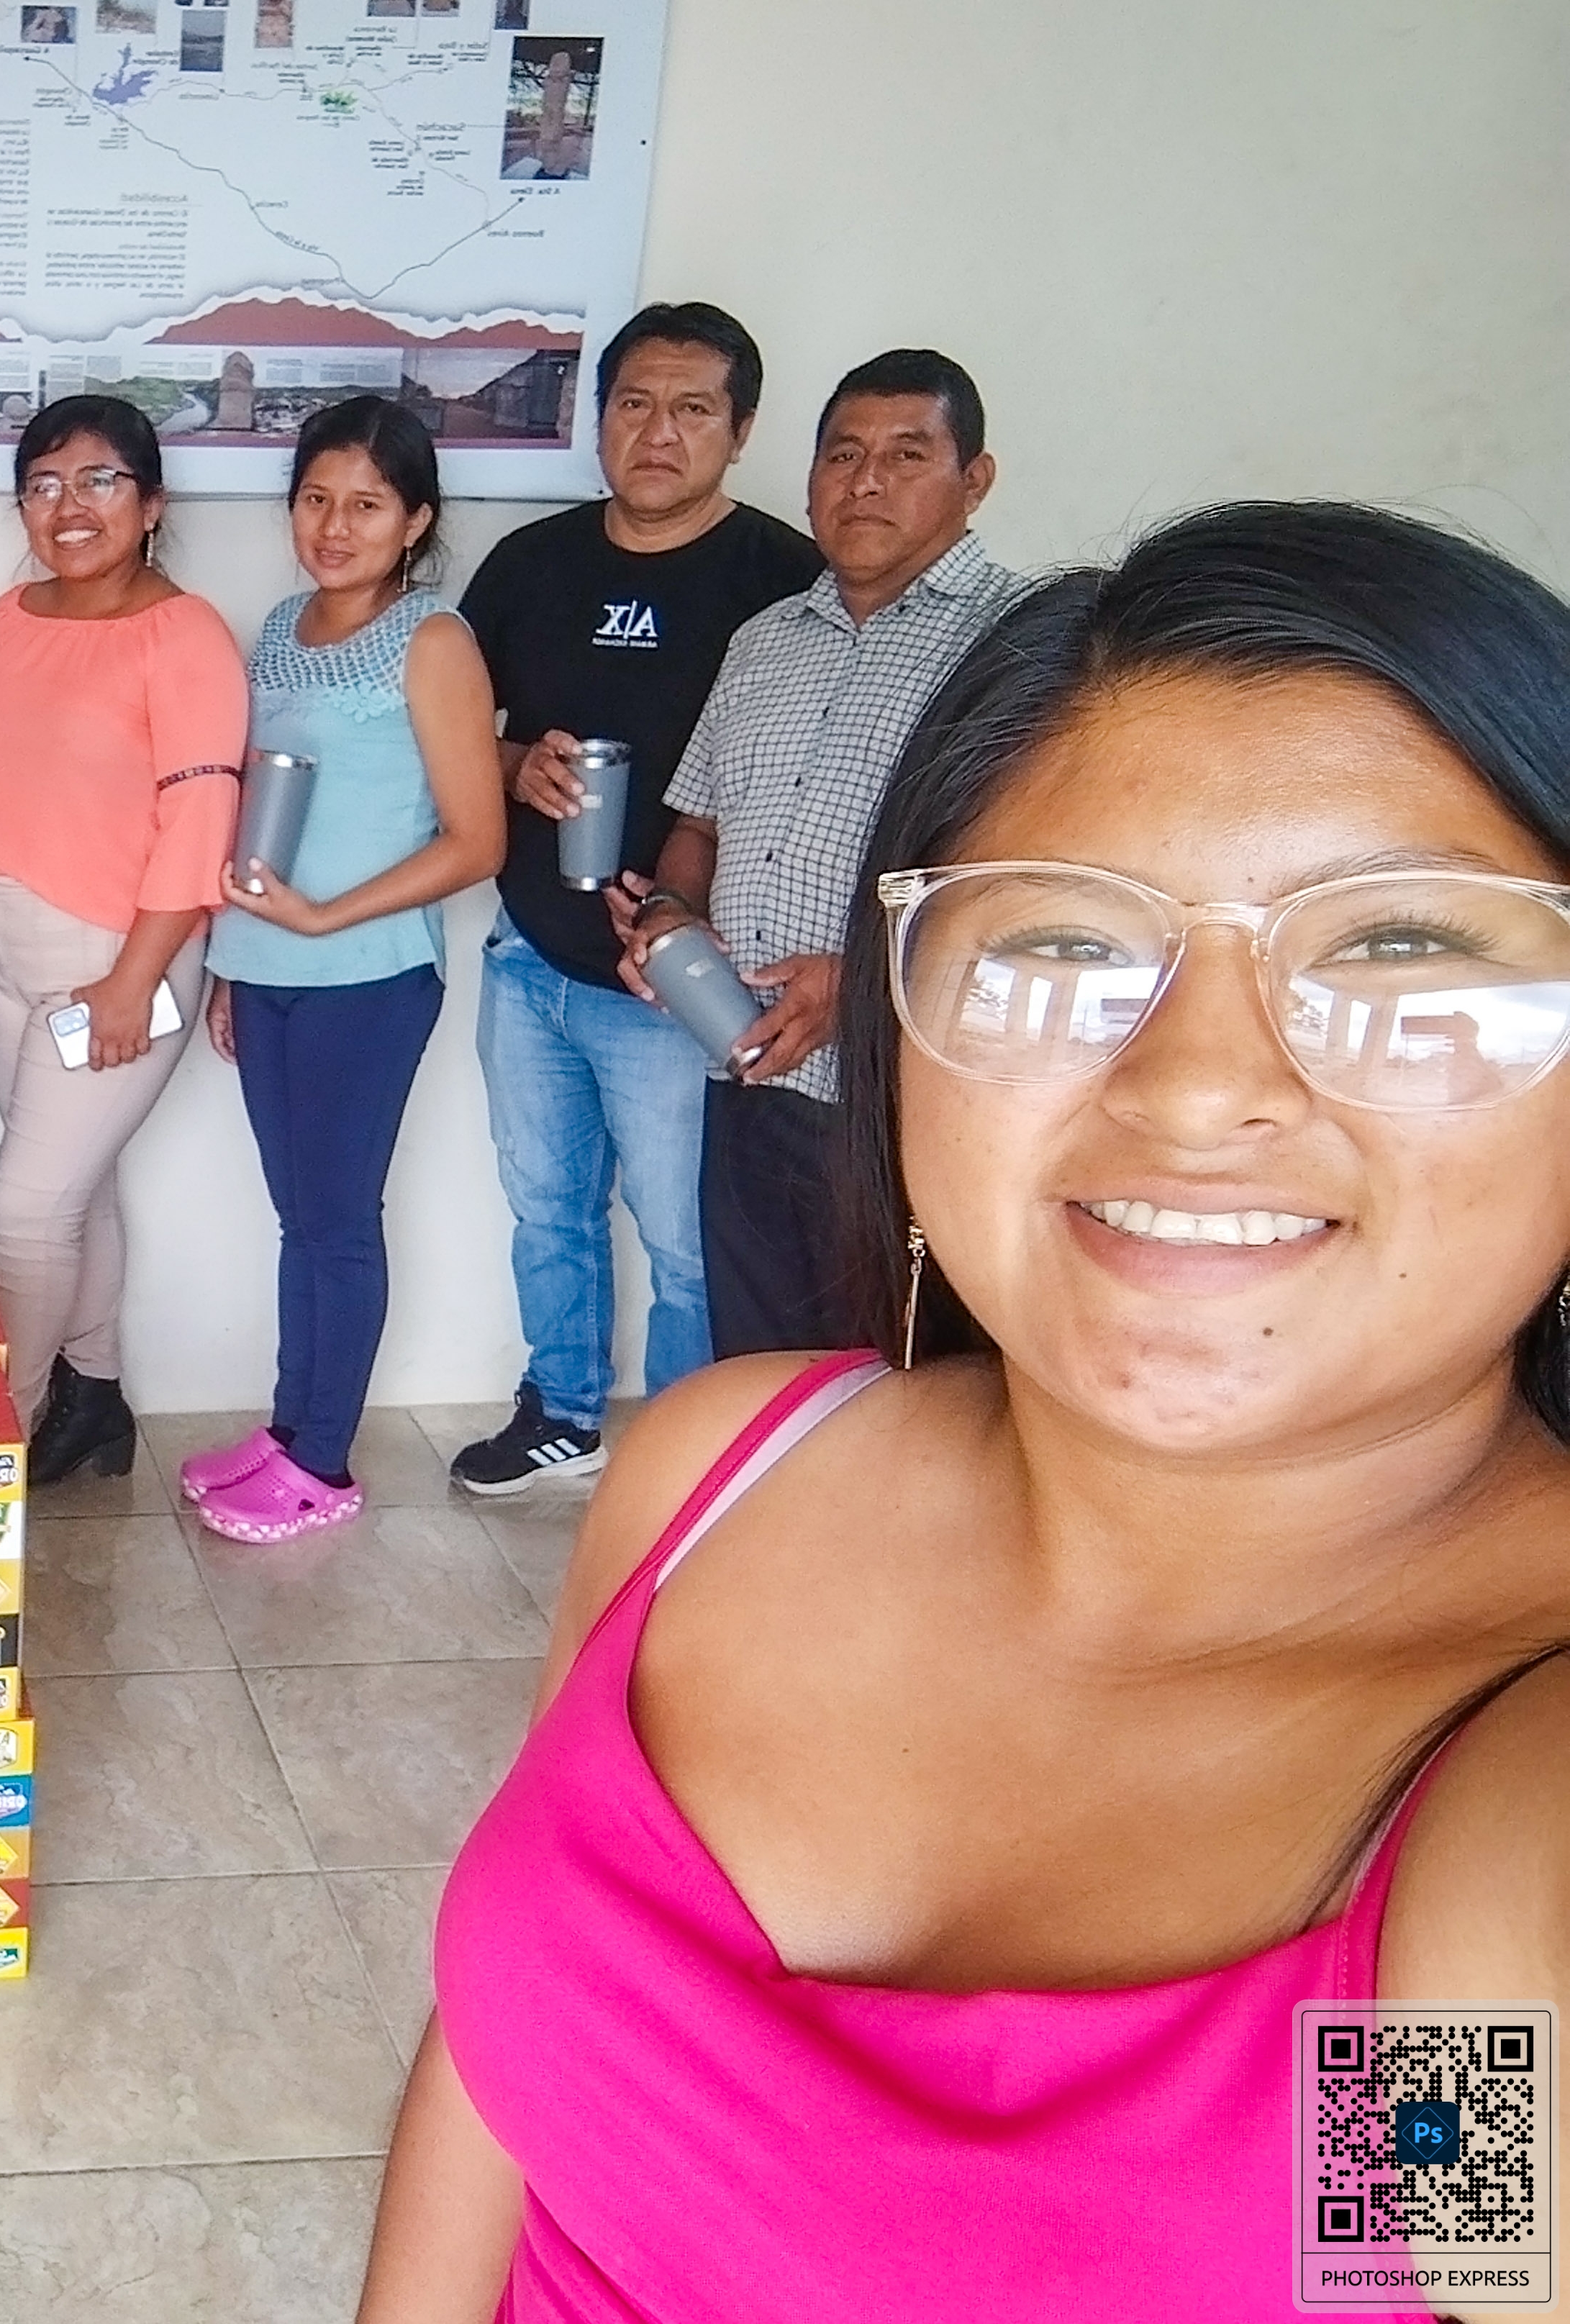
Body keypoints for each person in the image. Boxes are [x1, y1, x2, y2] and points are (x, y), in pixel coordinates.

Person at [363, 501, 1570, 2319]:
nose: (1194, 1087)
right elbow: (509, 2045)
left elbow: (1467, 2237)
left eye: (1393, 951)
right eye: (1062, 946)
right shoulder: (721, 1481)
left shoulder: (1499, 1816)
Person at [445, 304, 822, 1495]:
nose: (657, 432)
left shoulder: (786, 581)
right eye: (633, 404)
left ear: (739, 429)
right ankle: (560, 1411)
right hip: (529, 952)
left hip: (677, 979)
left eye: (691, 408)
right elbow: (446, 733)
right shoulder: (529, 565)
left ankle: (682, 1458)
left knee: (683, 1239)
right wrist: (515, 764)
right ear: (598, 419)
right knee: (544, 1206)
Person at [612, 347, 1020, 1356]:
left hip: (899, 1101)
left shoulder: (1021, 645)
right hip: (747, 1081)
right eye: (841, 455)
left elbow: (1035, 892)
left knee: (902, 1375)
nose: (866, 481)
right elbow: (699, 824)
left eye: (906, 455)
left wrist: (865, 983)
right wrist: (668, 912)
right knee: (759, 1356)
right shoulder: (764, 641)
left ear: (974, 480)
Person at [182, 396, 504, 1543]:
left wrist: (324, 918)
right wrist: (234, 963)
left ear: (414, 520)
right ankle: (287, 1430)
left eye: (366, 504)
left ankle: (321, 1461)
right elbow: (256, 811)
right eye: (315, 498)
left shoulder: (435, 640)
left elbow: (476, 839)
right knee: (300, 1219)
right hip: (264, 967)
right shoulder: (279, 626)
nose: (333, 525)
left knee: (336, 1218)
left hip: (365, 977)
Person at [0, 393, 245, 1482]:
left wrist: (132, 982)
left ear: (151, 504)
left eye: (101, 479)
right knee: (75, 1187)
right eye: (44, 483)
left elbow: (200, 818)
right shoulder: (7, 617)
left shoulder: (185, 635)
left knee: (26, 1212)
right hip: (2, 938)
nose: (70, 505)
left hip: (116, 954)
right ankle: (94, 1393)